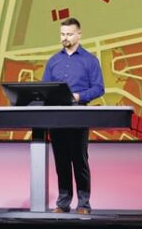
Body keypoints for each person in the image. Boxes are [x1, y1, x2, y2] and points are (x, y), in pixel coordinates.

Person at [42, 17, 104, 215]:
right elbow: (45, 88)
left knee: (79, 160)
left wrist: (79, 96)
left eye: (69, 34)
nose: (65, 38)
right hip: (56, 117)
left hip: (78, 115)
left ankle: (83, 204)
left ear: (79, 34)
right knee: (61, 160)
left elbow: (99, 88)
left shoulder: (90, 60)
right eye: (62, 34)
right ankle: (63, 202)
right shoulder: (53, 61)